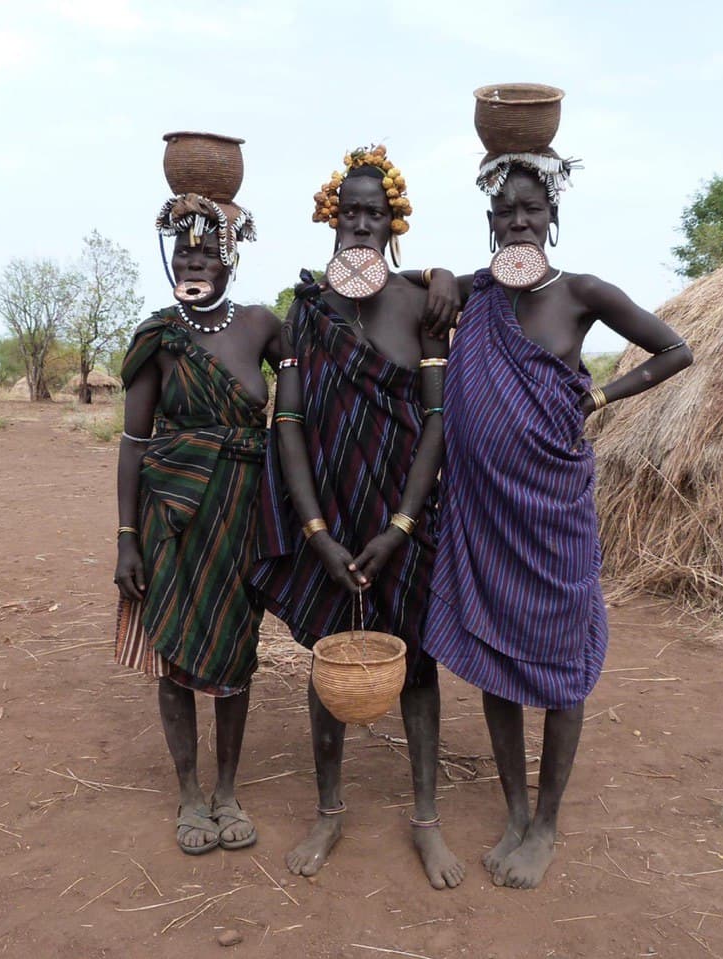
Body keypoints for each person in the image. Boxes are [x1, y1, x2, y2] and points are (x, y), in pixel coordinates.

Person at [421, 135, 693, 890]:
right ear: (490, 223)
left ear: (553, 217)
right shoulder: (477, 295)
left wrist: (599, 396)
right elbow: (408, 285)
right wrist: (438, 272)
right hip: (483, 511)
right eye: (505, 212)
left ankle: (546, 824)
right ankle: (514, 810)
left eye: (531, 210)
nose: (518, 222)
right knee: (496, 653)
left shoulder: (583, 293)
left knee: (564, 661)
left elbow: (675, 351)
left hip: (555, 511)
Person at [251, 144, 465, 889]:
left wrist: (401, 525)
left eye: (375, 213)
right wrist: (316, 534)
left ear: (394, 222)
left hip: (407, 515)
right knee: (328, 654)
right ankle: (329, 810)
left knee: (419, 665)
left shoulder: (421, 304)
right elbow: (288, 424)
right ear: (331, 220)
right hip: (330, 515)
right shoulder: (307, 310)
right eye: (351, 213)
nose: (362, 225)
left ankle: (427, 819)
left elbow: (437, 421)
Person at [113, 135, 282, 857]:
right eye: (184, 256)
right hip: (173, 517)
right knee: (176, 651)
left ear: (230, 259)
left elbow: (313, 384)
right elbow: (134, 442)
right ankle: (189, 793)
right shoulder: (158, 337)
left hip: (240, 514)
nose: (194, 265)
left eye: (207, 254)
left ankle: (228, 790)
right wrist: (126, 538)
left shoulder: (261, 325)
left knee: (236, 651)